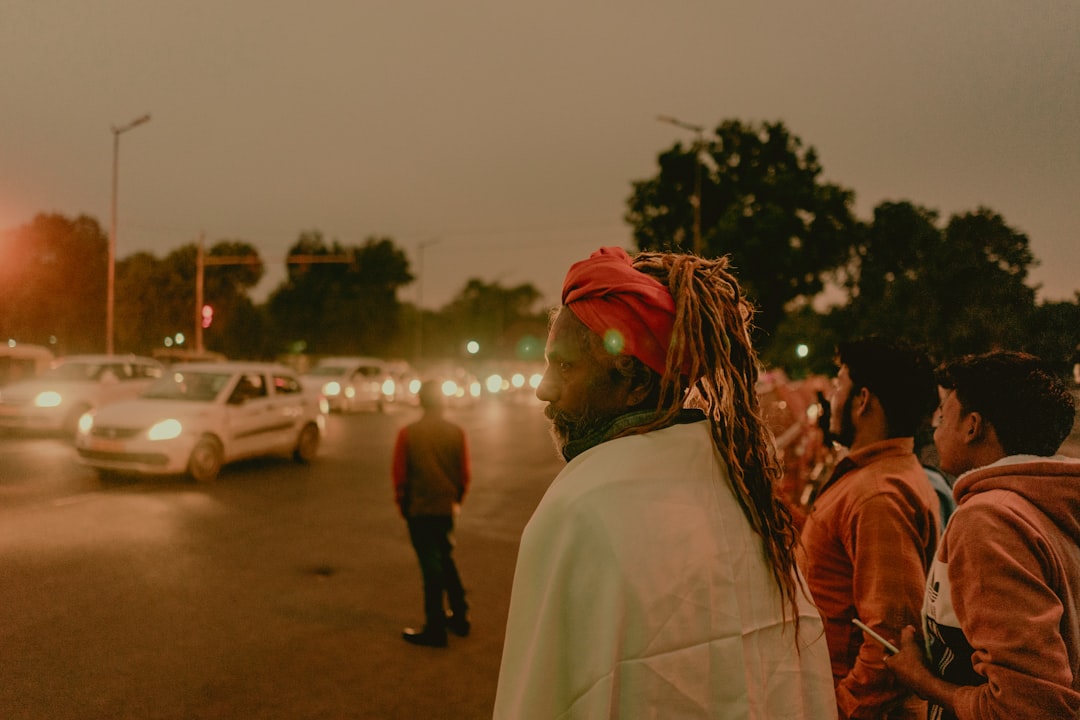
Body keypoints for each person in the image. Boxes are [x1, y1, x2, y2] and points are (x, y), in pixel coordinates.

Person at [492, 247, 836, 719]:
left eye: (566, 365)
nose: (543, 388)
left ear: (634, 382)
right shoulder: (741, 490)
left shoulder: (581, 505)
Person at [885, 351, 1080, 719]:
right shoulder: (1049, 505)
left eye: (943, 414)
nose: (934, 427)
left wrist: (922, 680)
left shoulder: (989, 520)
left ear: (972, 426)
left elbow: (1026, 707)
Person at [798, 338, 940, 719]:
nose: (831, 395)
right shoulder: (875, 478)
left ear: (863, 400)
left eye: (838, 384)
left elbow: (890, 640)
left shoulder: (877, 495)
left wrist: (837, 710)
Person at [391, 381, 471, 647]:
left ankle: (435, 627)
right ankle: (460, 616)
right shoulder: (456, 432)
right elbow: (464, 475)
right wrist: (455, 500)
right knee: (446, 558)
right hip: (445, 507)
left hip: (420, 508)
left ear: (420, 401)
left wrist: (403, 505)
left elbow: (399, 475)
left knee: (431, 568)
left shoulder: (408, 433)